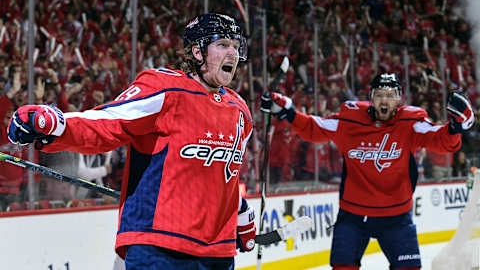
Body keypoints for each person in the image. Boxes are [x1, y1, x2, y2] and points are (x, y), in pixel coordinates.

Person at [7, 13, 256, 270]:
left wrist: (238, 209)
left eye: (236, 47)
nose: (233, 54)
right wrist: (58, 125)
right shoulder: (166, 89)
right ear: (197, 51)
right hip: (160, 247)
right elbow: (108, 123)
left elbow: (221, 174)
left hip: (218, 253)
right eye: (223, 44)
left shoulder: (240, 111)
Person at [261, 73, 474, 270]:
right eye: (379, 95)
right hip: (353, 216)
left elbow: (440, 138)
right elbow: (314, 128)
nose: (384, 101)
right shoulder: (351, 120)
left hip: (396, 217)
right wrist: (287, 111)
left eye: (390, 96)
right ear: (371, 98)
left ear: (399, 99)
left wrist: (455, 128)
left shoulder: (410, 123)